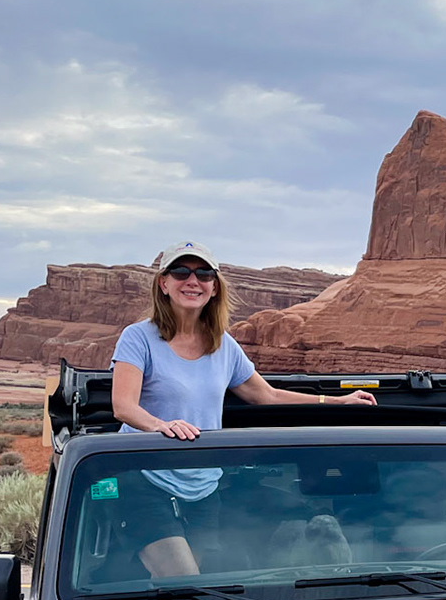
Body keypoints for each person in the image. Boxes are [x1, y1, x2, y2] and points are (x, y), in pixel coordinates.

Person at [110, 242, 374, 577]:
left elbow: (266, 396)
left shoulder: (222, 345)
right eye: (181, 272)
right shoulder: (138, 338)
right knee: (184, 580)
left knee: (191, 588)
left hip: (204, 485)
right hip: (146, 478)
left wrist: (336, 402)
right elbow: (123, 406)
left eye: (203, 273)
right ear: (163, 283)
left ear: (214, 286)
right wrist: (160, 425)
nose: (193, 280)